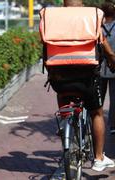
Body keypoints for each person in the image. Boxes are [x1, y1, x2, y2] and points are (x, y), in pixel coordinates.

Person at [47, 0, 115, 172]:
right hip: (87, 76)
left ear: (64, 3)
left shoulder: (51, 15)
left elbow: (44, 41)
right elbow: (102, 41)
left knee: (63, 103)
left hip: (59, 77)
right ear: (82, 3)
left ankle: (66, 129)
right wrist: (112, 58)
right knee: (97, 113)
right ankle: (99, 158)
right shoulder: (91, 14)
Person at [100, 2, 115, 135]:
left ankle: (96, 122)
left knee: (99, 98)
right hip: (114, 66)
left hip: (99, 68)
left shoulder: (97, 29)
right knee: (114, 98)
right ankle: (112, 125)